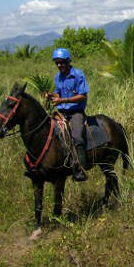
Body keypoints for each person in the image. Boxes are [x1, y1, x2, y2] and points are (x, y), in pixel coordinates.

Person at [47, 48, 90, 182]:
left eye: (61, 63)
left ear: (68, 61)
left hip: (76, 112)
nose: (59, 66)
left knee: (77, 136)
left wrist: (63, 100)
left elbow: (82, 96)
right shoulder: (57, 76)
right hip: (62, 113)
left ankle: (81, 170)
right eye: (57, 63)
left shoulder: (78, 75)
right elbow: (58, 94)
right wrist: (51, 96)